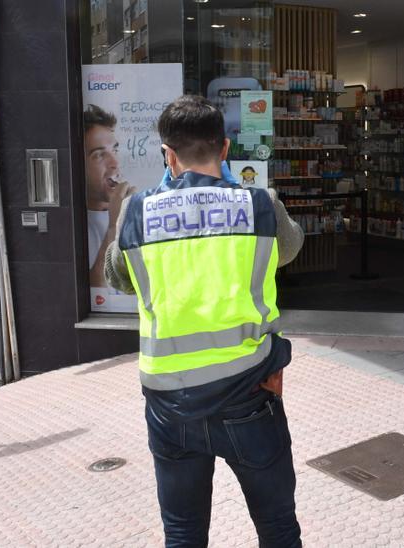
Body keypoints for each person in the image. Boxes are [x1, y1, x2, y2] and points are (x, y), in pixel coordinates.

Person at [104, 95, 303, 547]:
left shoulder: (136, 211)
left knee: (184, 533)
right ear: (226, 149)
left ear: (167, 155)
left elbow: (119, 277)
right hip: (250, 398)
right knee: (277, 527)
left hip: (169, 406)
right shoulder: (260, 205)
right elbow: (289, 249)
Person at [84, 104, 134, 288]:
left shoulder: (134, 206)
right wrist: (115, 223)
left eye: (115, 150)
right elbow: (98, 291)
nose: (115, 163)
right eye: (99, 155)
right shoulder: (71, 226)